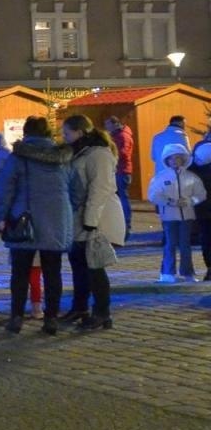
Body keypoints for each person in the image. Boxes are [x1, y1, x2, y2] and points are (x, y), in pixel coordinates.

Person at [0, 116, 74, 334]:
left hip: (23, 219)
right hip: (56, 219)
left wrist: (1, 217)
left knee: (20, 273)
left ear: (27, 134)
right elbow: (74, 187)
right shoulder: (63, 157)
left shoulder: (18, 157)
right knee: (53, 272)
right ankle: (51, 319)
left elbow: (6, 189)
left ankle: (17, 317)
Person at [61, 114, 124, 331]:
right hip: (80, 216)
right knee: (78, 263)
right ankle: (80, 307)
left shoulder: (99, 154)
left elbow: (100, 189)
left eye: (67, 133)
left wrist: (90, 220)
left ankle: (102, 312)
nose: (64, 137)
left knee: (94, 266)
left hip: (98, 218)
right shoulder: (82, 152)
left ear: (80, 132)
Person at [147, 142, 206, 282]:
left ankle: (187, 273)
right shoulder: (161, 177)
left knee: (185, 245)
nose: (174, 161)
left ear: (183, 159)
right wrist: (170, 202)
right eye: (171, 158)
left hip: (187, 216)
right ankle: (168, 273)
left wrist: (190, 201)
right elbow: (153, 195)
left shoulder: (191, 177)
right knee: (170, 244)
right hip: (169, 216)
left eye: (178, 158)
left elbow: (201, 194)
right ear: (167, 160)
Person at [105, 116, 135, 237]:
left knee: (122, 198)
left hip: (121, 171)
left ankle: (126, 224)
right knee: (120, 198)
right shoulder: (119, 135)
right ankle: (122, 224)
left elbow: (123, 153)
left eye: (107, 124)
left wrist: (109, 153)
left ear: (114, 124)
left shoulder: (122, 136)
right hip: (120, 170)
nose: (106, 127)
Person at [190, 134, 211, 280]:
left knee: (206, 238)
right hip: (203, 209)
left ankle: (210, 268)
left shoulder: (194, 169)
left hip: (202, 209)